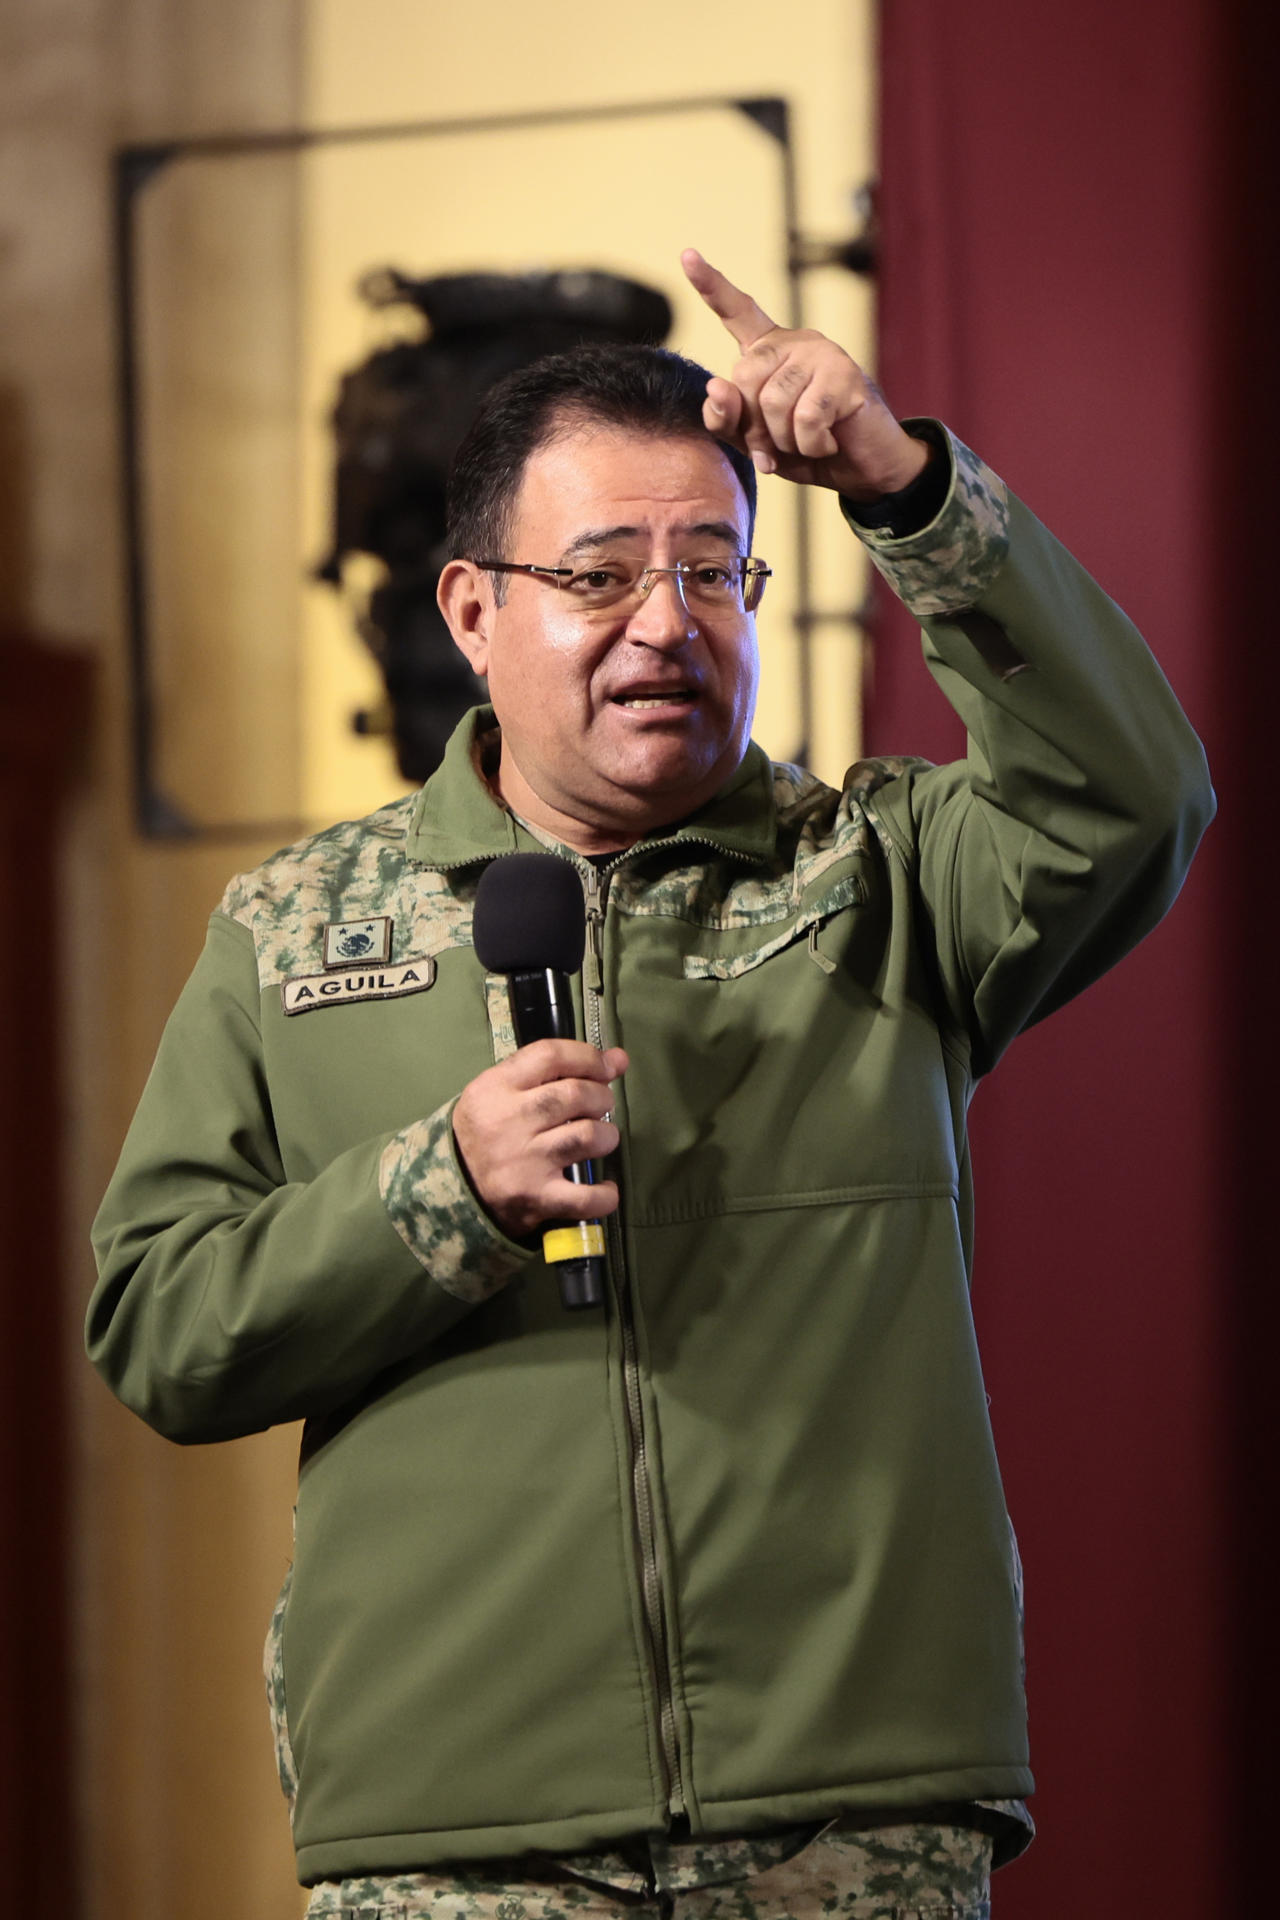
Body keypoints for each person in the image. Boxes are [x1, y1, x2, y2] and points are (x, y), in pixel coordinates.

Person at [87, 249, 1214, 1920]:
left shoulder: (881, 880)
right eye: (601, 576)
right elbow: (159, 1329)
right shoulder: (293, 930)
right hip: (456, 1836)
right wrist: (441, 1195)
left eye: (712, 573)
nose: (665, 628)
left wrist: (910, 492)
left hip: (855, 1820)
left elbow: (1131, 797)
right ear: (473, 612)